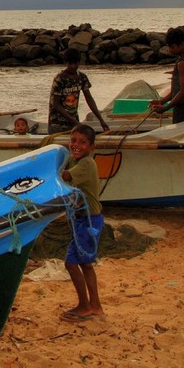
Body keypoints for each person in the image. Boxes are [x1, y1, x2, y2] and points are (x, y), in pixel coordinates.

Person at [60, 123, 104, 321]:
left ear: (92, 147)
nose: (76, 145)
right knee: (86, 264)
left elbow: (65, 176)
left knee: (71, 263)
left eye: (83, 142)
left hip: (89, 221)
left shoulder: (86, 164)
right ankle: (95, 305)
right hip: (86, 220)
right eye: (73, 141)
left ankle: (84, 306)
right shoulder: (75, 160)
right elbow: (66, 163)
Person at [48, 48, 109, 134]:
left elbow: (89, 99)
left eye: (75, 63)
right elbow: (56, 104)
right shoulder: (60, 79)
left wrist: (101, 120)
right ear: (66, 63)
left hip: (73, 122)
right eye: (70, 63)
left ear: (79, 62)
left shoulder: (82, 77)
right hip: (57, 125)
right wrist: (75, 122)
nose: (73, 66)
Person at [150, 27, 184, 124]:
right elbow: (175, 91)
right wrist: (161, 102)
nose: (170, 50)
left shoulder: (182, 63)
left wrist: (165, 108)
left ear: (181, 44)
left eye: (172, 47)